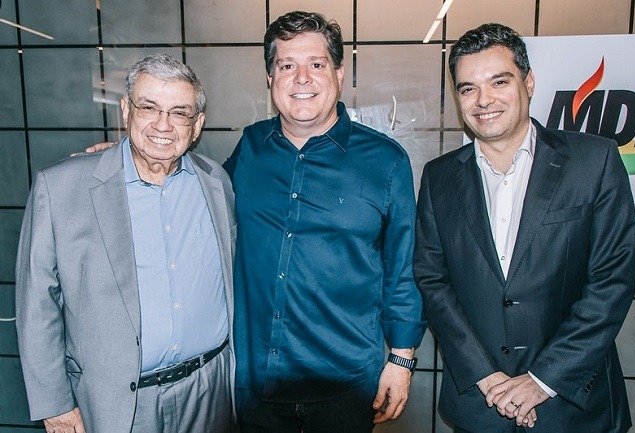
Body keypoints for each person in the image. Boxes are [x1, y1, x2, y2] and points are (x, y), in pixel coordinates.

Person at [413, 23, 635, 433]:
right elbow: (432, 280)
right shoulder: (439, 177)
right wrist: (485, 376)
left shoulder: (594, 161)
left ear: (528, 82)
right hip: (480, 403)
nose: (484, 100)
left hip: (574, 405)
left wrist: (542, 380)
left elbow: (611, 283)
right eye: (468, 88)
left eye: (499, 82)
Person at [223, 11, 426, 433]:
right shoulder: (250, 148)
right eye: (286, 65)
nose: (302, 78)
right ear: (270, 77)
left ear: (338, 73)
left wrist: (402, 358)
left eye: (316, 64)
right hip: (256, 382)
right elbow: (196, 197)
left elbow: (403, 270)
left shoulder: (385, 161)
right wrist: (134, 157)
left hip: (345, 386)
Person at [15, 53, 236, 433]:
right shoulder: (62, 187)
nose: (162, 125)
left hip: (209, 393)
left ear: (197, 124)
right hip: (117, 404)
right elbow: (37, 305)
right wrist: (55, 405)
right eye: (149, 107)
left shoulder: (216, 182)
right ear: (125, 110)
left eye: (179, 113)